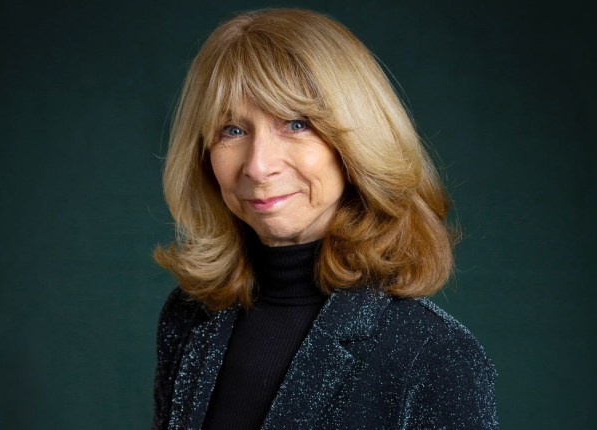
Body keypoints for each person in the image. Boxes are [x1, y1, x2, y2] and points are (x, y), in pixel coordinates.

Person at [152, 8, 498, 430]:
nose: (258, 167)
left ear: (356, 147)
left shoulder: (432, 353)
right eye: (232, 130)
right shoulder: (189, 317)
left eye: (296, 124)